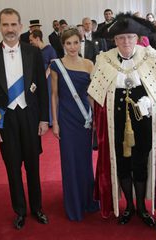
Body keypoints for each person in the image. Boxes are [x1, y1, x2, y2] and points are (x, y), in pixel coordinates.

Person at [88, 13, 156, 226]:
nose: (126, 42)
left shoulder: (150, 56)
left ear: (137, 38)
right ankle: (129, 209)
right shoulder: (104, 59)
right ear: (114, 40)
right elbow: (97, 95)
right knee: (122, 164)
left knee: (140, 163)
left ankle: (141, 207)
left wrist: (149, 102)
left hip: (143, 122)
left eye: (130, 37)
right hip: (115, 123)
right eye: (121, 38)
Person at [0, 8, 49, 229]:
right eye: (5, 25)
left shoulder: (33, 53)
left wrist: (44, 119)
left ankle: (37, 208)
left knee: (33, 166)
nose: (10, 29)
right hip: (4, 120)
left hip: (30, 117)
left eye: (14, 24)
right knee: (12, 168)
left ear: (21, 27)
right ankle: (20, 211)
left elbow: (42, 89)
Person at [50, 28, 99, 221]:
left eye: (75, 43)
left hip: (84, 120)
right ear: (63, 45)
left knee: (84, 160)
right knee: (70, 161)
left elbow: (91, 94)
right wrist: (55, 122)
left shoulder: (88, 64)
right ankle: (74, 204)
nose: (72, 47)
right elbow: (54, 95)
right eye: (68, 43)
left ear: (81, 43)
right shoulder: (56, 66)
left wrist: (95, 119)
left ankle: (87, 199)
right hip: (66, 119)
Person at [29, 29, 57, 126]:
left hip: (48, 77)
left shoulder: (49, 48)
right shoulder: (34, 50)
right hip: (37, 76)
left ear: (37, 39)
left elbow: (53, 63)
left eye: (31, 40)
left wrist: (45, 74)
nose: (30, 42)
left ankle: (50, 120)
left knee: (48, 96)